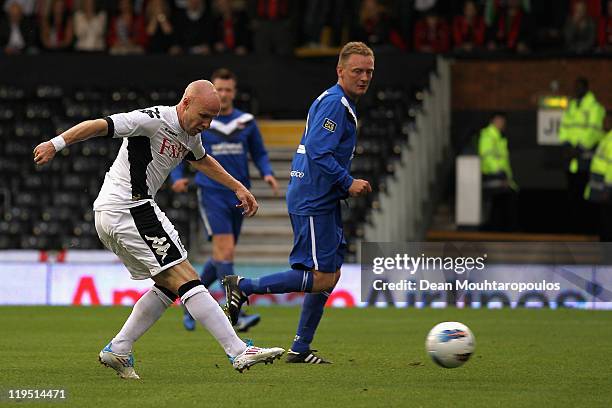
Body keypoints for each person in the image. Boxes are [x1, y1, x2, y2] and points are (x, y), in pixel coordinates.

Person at [32, 80, 284, 379]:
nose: (207, 124)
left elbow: (202, 161)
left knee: (169, 284)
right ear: (186, 102)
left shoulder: (190, 134)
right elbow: (99, 125)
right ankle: (239, 351)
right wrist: (55, 144)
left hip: (121, 212)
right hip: (129, 208)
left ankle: (119, 349)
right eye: (203, 115)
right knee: (186, 277)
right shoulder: (150, 120)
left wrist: (238, 187)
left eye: (212, 119)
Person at [222, 42, 374, 364]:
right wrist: (348, 182)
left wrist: (341, 189)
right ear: (340, 71)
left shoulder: (338, 102)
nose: (364, 77)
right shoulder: (335, 103)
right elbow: (319, 153)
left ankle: (300, 348)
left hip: (322, 196)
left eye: (369, 71)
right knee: (320, 276)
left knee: (329, 275)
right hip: (314, 199)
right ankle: (244, 286)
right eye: (357, 70)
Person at [170, 68, 279, 332]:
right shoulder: (202, 120)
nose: (224, 94)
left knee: (222, 255)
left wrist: (267, 173)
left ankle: (189, 299)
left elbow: (259, 153)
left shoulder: (246, 122)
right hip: (211, 191)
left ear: (234, 92)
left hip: (238, 194)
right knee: (225, 250)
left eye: (229, 90)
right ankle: (234, 314)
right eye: (219, 90)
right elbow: (182, 146)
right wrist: (177, 176)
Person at [559, 77, 605, 233]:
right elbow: (564, 127)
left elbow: (593, 132)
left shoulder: (595, 107)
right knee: (572, 195)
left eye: (579, 87)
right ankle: (574, 229)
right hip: (571, 160)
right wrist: (566, 145)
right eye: (575, 86)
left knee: (586, 195)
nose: (576, 89)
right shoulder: (571, 106)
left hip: (585, 159)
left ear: (586, 88)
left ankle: (587, 229)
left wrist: (578, 149)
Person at [478, 112, 518, 231]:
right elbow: (486, 155)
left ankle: (500, 230)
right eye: (499, 121)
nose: (501, 124)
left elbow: (504, 161)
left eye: (503, 122)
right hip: (492, 176)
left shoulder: (499, 137)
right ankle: (495, 230)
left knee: (502, 203)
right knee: (497, 204)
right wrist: (498, 171)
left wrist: (507, 178)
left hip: (502, 177)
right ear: (492, 121)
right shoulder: (488, 135)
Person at [584, 110, 612, 241]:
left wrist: (607, 189)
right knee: (604, 226)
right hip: (603, 189)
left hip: (608, 190)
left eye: (606, 120)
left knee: (607, 227)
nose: (603, 123)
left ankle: (607, 259)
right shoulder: (606, 138)